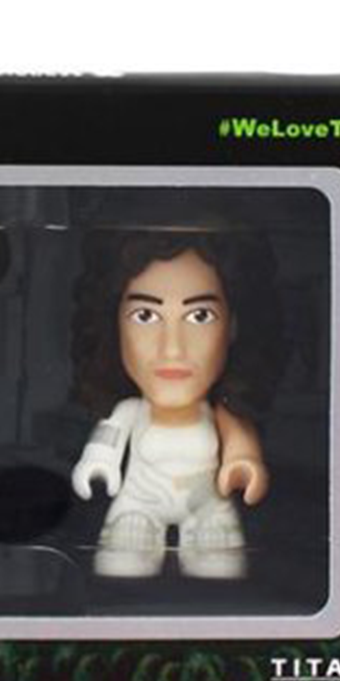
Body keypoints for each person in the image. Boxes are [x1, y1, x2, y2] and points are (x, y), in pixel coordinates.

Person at [71, 230, 282, 579]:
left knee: (220, 564)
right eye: (145, 315)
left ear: (233, 326)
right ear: (113, 324)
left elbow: (243, 453)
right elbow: (106, 441)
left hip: (207, 502)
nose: (172, 348)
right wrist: (99, 462)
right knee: (123, 560)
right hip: (140, 500)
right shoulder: (128, 412)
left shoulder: (224, 413)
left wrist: (243, 466)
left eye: (200, 316)